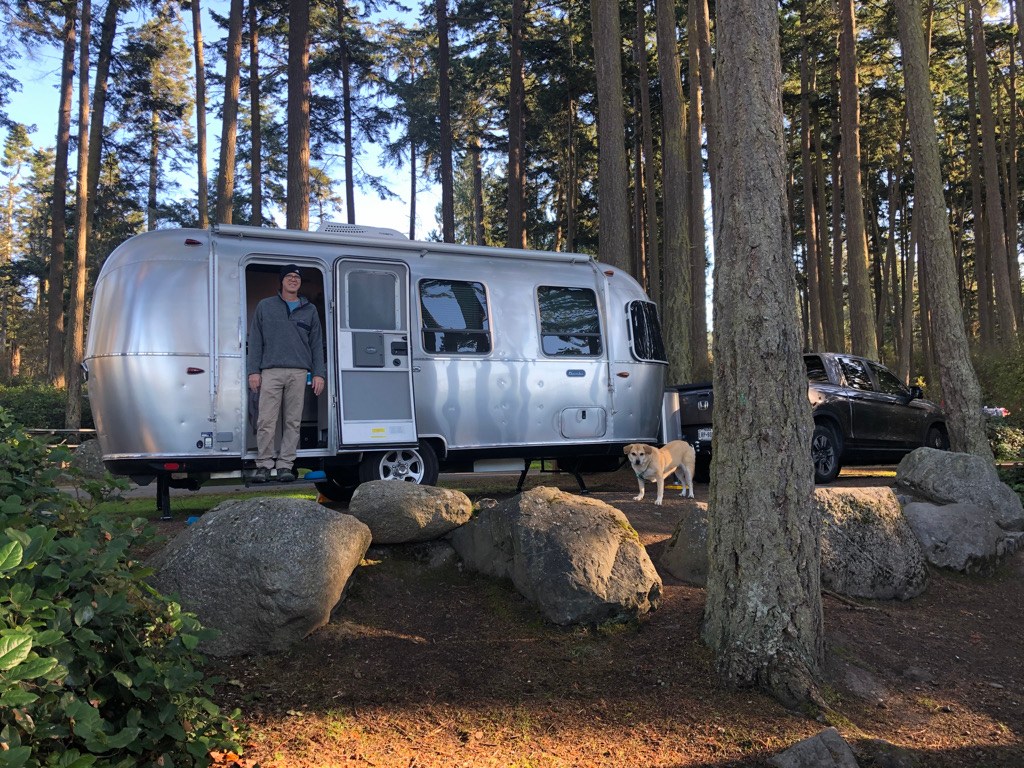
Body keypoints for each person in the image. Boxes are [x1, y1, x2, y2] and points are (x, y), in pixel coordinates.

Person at [247, 264, 326, 482]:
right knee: (266, 420)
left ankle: (285, 465)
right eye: (289, 276)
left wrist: (319, 373)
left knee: (293, 422)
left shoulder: (309, 310)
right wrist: (253, 371)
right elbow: (256, 341)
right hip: (270, 371)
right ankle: (264, 465)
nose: (293, 280)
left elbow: (316, 344)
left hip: (298, 372)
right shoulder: (265, 306)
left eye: (297, 277)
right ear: (281, 281)